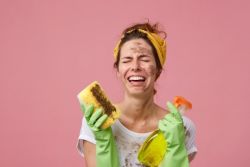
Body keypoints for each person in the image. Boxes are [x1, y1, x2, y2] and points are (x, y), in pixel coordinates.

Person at [77, 22, 198, 167]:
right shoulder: (97, 122)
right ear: (118, 71)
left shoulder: (181, 127)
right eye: (127, 60)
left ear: (158, 70)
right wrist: (102, 140)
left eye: (144, 60)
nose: (135, 67)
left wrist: (175, 149)